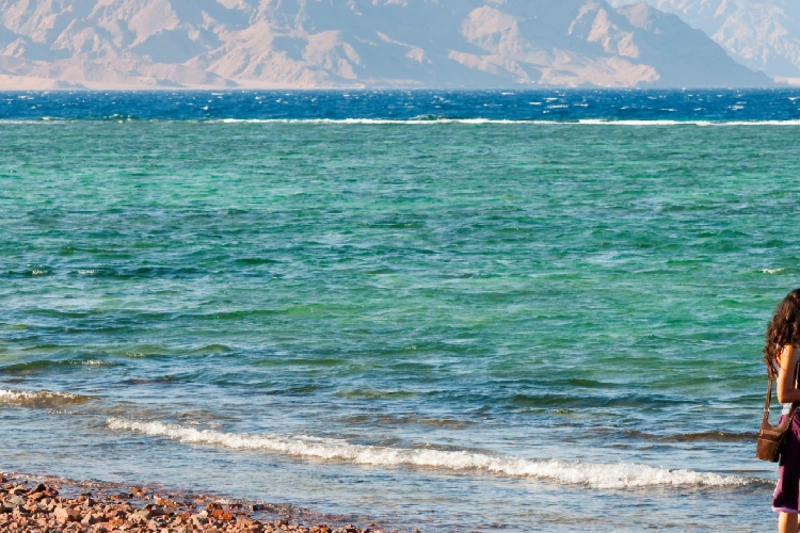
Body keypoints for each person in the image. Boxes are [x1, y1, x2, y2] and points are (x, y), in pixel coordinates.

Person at [765, 289, 800, 533]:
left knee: (793, 494)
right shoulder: (791, 347)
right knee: (791, 497)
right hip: (797, 424)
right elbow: (784, 394)